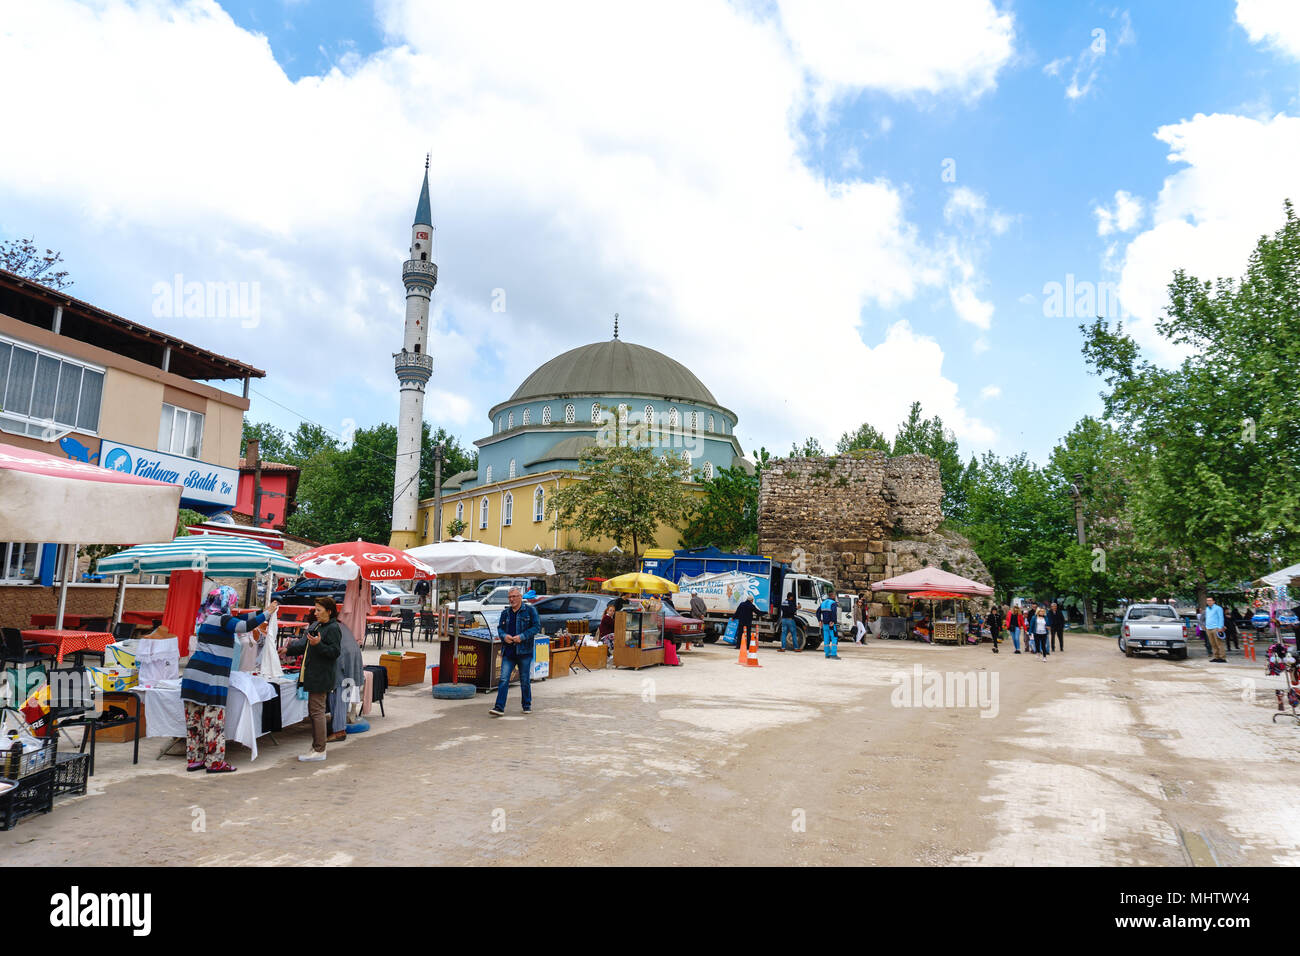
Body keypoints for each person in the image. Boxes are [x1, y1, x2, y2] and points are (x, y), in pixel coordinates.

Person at [179, 587, 272, 774]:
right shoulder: (222, 619)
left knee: (194, 722)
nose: (233, 604)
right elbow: (244, 626)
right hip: (212, 678)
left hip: (192, 677)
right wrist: (267, 614)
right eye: (232, 601)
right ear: (227, 601)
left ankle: (195, 760)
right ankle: (214, 763)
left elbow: (241, 620)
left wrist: (263, 612)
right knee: (213, 721)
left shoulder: (208, 618)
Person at [285, 596, 343, 761]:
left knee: (317, 712)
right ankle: (317, 746)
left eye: (318, 610)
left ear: (329, 612)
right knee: (314, 711)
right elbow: (304, 645)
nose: (315, 613)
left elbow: (334, 652)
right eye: (315, 609)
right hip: (312, 674)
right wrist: (287, 650)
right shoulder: (317, 625)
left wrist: (319, 645)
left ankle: (319, 750)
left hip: (322, 676)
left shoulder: (333, 628)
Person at [491, 588, 540, 716]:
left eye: (514, 596)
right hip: (509, 651)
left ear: (520, 597)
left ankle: (526, 705)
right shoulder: (505, 613)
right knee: (503, 679)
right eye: (509, 597)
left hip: (524, 652)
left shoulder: (530, 610)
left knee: (524, 680)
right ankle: (499, 707)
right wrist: (504, 636)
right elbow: (500, 629)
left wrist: (522, 636)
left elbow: (536, 627)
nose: (511, 599)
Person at [1205, 596, 1226, 662]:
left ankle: (1222, 658)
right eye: (1207, 600)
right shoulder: (1207, 609)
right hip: (1208, 628)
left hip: (1216, 628)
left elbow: (1221, 618)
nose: (1209, 602)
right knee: (1213, 644)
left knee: (1219, 643)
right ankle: (1216, 657)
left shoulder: (1218, 608)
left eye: (1210, 600)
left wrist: (1220, 627)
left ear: (1214, 601)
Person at [818, 593, 840, 659]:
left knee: (826, 639)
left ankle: (827, 654)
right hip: (831, 624)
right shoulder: (833, 603)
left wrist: (819, 620)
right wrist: (833, 621)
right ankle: (833, 654)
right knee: (834, 638)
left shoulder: (823, 603)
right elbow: (833, 612)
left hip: (825, 624)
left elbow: (817, 612)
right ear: (833, 597)